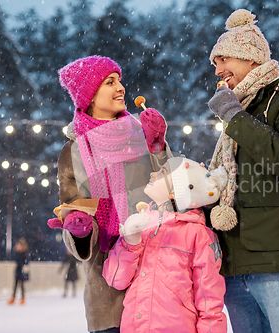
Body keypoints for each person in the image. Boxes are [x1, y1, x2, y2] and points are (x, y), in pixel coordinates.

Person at [206, 9, 279, 333]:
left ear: (250, 56)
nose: (217, 70)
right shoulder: (244, 109)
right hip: (233, 262)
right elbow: (233, 177)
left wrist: (233, 115)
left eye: (223, 59)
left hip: (277, 260)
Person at [47, 55, 171, 333]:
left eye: (120, 81)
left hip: (157, 273)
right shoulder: (74, 151)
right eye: (110, 82)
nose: (121, 88)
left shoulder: (142, 134)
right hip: (108, 283)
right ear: (89, 96)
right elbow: (73, 213)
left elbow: (172, 190)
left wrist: (160, 147)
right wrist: (79, 229)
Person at [102, 157, 227, 332]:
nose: (154, 173)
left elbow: (209, 300)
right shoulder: (142, 224)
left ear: (175, 191)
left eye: (163, 172)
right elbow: (115, 279)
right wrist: (130, 242)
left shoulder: (198, 235)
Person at [8, 237, 30, 305]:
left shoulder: (25, 253)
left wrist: (25, 269)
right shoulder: (16, 253)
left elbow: (26, 262)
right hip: (18, 270)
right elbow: (14, 259)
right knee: (15, 285)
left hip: (22, 270)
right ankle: (13, 297)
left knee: (22, 285)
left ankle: (23, 298)